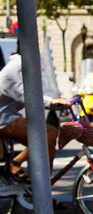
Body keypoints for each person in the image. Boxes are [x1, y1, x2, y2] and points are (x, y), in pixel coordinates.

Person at [0, 49, 75, 182]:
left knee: (49, 149)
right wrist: (51, 101)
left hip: (7, 116)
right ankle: (13, 164)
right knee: (50, 133)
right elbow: (26, 95)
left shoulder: (23, 64)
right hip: (3, 119)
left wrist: (53, 102)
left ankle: (44, 192)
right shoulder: (17, 66)